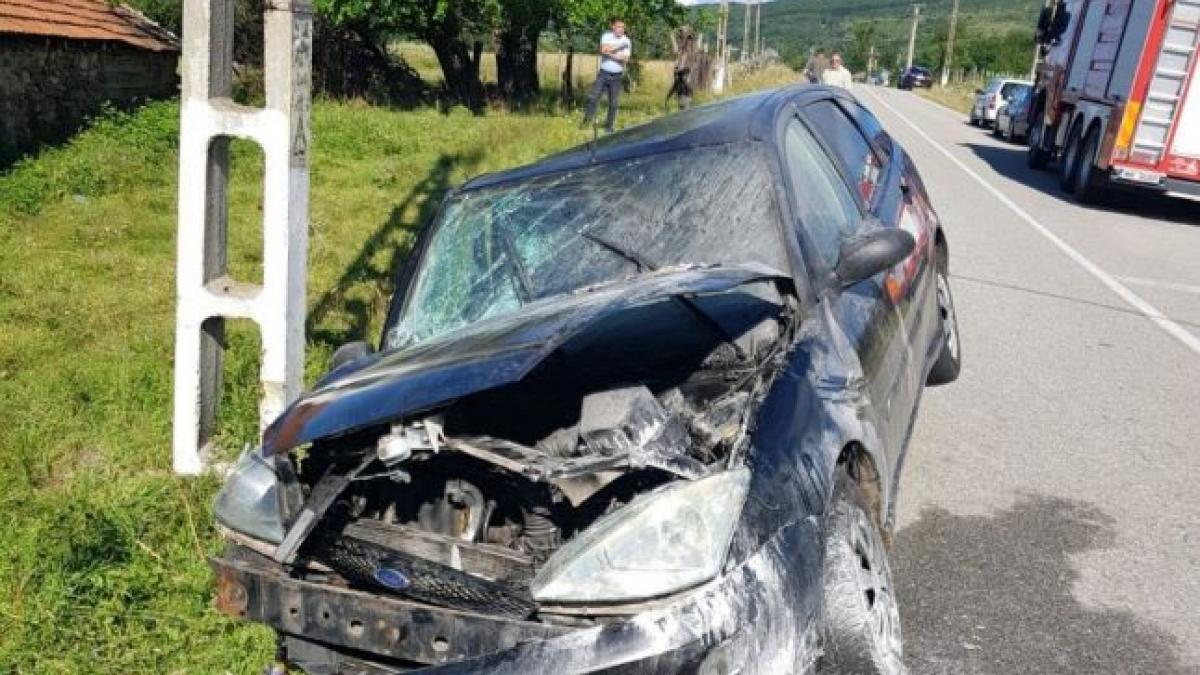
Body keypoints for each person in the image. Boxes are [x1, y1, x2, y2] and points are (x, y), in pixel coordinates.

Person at [582, 18, 632, 133]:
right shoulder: (606, 36)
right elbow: (603, 50)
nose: (621, 30)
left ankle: (609, 127)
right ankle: (586, 121)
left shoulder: (627, 41)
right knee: (594, 97)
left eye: (623, 28)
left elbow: (625, 59)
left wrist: (610, 52)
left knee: (613, 103)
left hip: (617, 76)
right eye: (619, 27)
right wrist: (619, 48)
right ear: (613, 27)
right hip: (603, 73)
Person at [667, 26, 699, 111]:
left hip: (685, 79)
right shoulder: (683, 48)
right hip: (681, 80)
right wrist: (672, 37)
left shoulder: (691, 48)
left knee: (685, 102)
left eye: (683, 34)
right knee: (682, 102)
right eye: (681, 35)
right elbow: (676, 51)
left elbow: (676, 52)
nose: (682, 37)